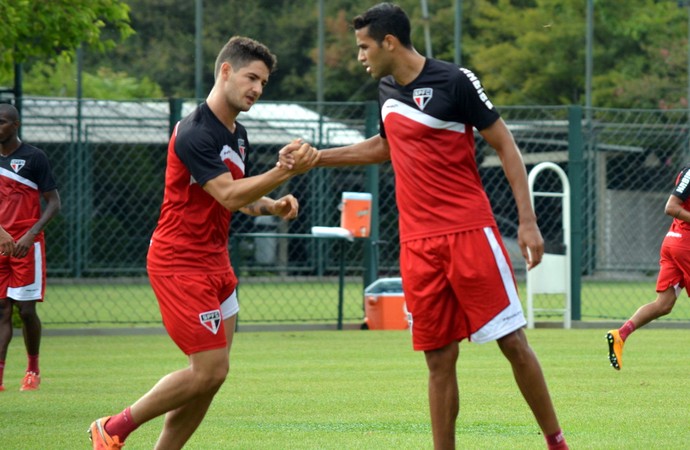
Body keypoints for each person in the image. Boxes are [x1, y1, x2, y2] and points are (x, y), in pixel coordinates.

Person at [280, 3, 568, 449]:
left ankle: (556, 442)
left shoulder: (455, 80)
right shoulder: (386, 90)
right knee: (438, 359)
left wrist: (527, 223)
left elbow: (506, 145)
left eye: (364, 46)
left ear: (389, 42)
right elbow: (384, 146)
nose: (360, 55)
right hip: (418, 246)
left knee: (512, 342)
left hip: (469, 233)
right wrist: (318, 157)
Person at [88, 36, 320, 449]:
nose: (257, 89)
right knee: (209, 371)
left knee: (208, 379)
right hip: (180, 263)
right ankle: (114, 427)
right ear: (226, 71)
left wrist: (274, 206)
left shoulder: (238, 133)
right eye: (252, 77)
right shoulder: (196, 131)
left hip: (216, 264)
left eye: (264, 82)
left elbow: (240, 198)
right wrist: (283, 171)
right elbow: (230, 194)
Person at [0, 102, 61, 392]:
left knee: (25, 311)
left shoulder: (34, 158)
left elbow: (54, 202)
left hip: (27, 245)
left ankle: (32, 369)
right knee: (1, 309)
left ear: (15, 125)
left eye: (1, 122)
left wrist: (30, 234)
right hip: (1, 244)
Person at [607, 165, 690, 370]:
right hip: (685, 245)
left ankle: (621, 335)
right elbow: (671, 207)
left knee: (664, 304)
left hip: (673, 242)